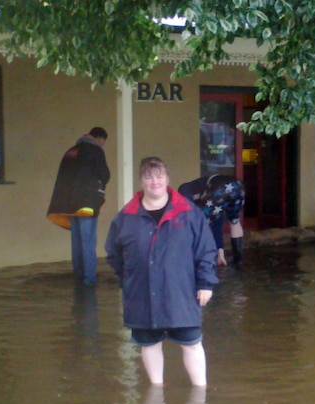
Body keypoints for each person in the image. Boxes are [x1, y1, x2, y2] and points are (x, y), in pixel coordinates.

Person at [105, 157, 219, 387]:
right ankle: (157, 394)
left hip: (182, 292)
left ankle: (200, 393)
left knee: (192, 342)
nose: (154, 181)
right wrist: (128, 280)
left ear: (167, 179)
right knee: (148, 344)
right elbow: (113, 253)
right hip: (141, 294)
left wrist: (205, 283)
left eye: (159, 176)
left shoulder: (189, 212)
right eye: (148, 176)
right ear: (141, 181)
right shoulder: (125, 217)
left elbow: (206, 249)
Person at [46, 127, 111, 285]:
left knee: (77, 243)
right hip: (87, 204)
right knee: (88, 243)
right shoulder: (95, 150)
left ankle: (79, 278)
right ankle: (89, 281)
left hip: (69, 205)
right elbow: (105, 175)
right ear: (100, 139)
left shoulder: (71, 151)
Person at [178, 174, 246, 266]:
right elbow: (217, 222)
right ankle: (238, 260)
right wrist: (220, 253)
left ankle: (199, 260)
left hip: (219, 187)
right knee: (234, 222)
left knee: (199, 226)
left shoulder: (184, 190)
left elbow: (196, 222)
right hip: (239, 187)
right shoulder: (200, 190)